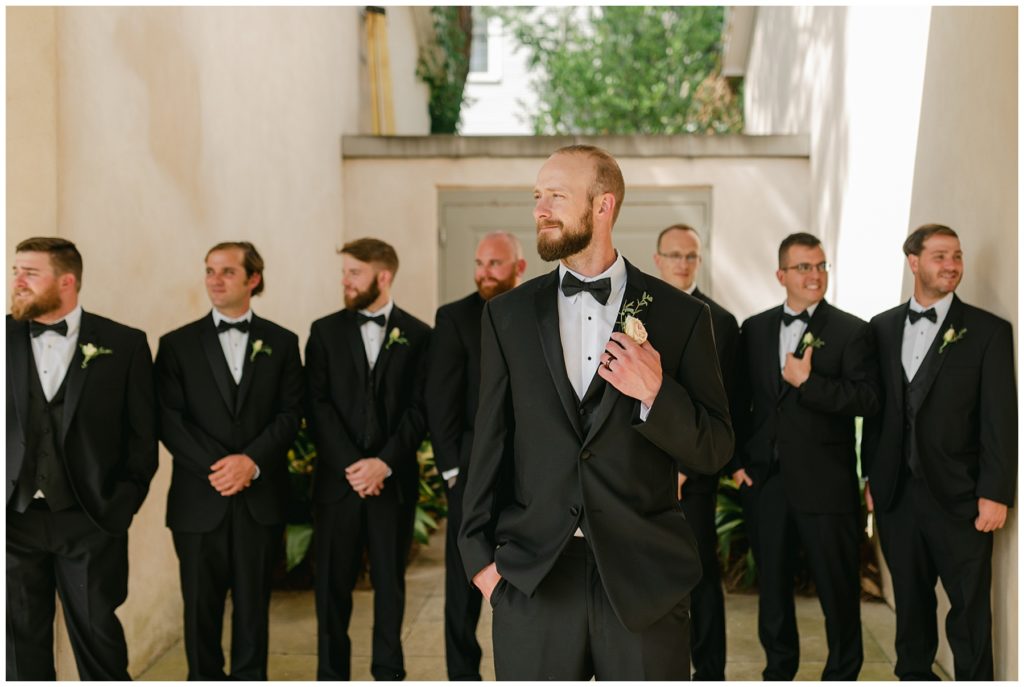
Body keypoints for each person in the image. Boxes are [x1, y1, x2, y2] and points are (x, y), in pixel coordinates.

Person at [459, 145, 733, 680]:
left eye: (556, 196)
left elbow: (715, 448)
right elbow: (489, 439)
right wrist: (482, 566)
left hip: (644, 581)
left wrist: (657, 392)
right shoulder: (507, 315)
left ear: (603, 205)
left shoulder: (681, 317)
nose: (540, 209)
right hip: (534, 578)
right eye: (538, 197)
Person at [862, 224, 1016, 681]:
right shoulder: (881, 327)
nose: (951, 265)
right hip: (896, 498)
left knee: (969, 610)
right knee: (910, 606)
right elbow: (878, 412)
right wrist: (872, 478)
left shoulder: (989, 331)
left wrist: (996, 490)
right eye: (940, 256)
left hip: (963, 497)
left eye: (957, 256)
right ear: (913, 262)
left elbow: (1000, 419)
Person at [7, 237, 158, 680]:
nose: (16, 281)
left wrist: (120, 504)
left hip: (91, 518)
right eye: (15, 270)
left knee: (99, 641)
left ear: (67, 281)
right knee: (18, 645)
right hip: (14, 519)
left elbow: (142, 438)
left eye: (29, 273)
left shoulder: (124, 344)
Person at [730, 232, 878, 680]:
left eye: (820, 266)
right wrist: (736, 463)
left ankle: (842, 673)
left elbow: (869, 400)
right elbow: (738, 400)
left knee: (837, 591)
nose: (815, 276)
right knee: (772, 591)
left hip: (825, 486)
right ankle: (779, 670)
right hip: (764, 483)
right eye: (803, 267)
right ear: (781, 275)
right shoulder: (754, 328)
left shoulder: (853, 330)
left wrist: (809, 385)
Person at [156, 241, 302, 680]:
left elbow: (290, 414)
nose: (214, 280)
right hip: (198, 502)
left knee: (254, 608)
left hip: (260, 500)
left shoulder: (282, 342)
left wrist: (251, 463)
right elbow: (169, 420)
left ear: (252, 279)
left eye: (226, 271)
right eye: (209, 271)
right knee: (199, 610)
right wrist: (221, 468)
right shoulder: (176, 344)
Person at [306, 238, 431, 681]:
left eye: (354, 273)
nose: (345, 281)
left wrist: (384, 463)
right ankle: (332, 673)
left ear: (383, 276)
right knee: (330, 589)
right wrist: (353, 467)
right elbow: (316, 405)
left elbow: (421, 410)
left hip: (391, 484)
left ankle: (388, 671)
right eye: (345, 273)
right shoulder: (323, 332)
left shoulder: (419, 335)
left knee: (390, 586)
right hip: (337, 485)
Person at [425, 231, 526, 680]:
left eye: (496, 264)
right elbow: (440, 400)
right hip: (468, 476)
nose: (484, 272)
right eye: (480, 263)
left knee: (523, 580)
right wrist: (451, 472)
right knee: (462, 586)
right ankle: (461, 677)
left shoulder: (537, 311)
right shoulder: (453, 318)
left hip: (526, 477)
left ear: (519, 267)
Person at [653, 223, 738, 681]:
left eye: (691, 256)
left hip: (695, 479)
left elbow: (721, 406)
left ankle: (709, 673)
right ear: (657, 259)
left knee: (701, 580)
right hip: (641, 473)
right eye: (675, 255)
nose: (683, 263)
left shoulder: (721, 322)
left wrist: (685, 468)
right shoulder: (633, 312)